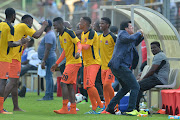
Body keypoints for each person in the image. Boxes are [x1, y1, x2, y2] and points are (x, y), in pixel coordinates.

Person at [3, 14, 48, 111]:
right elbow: (36, 35)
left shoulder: (18, 27)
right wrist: (44, 26)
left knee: (14, 84)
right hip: (14, 59)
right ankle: (0, 105)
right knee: (12, 82)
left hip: (13, 58)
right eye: (31, 23)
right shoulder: (24, 26)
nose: (31, 25)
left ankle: (16, 107)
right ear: (27, 21)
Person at [103, 21, 144, 115]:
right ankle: (131, 110)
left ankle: (109, 108)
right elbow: (131, 39)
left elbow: (134, 42)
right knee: (135, 86)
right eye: (131, 27)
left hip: (118, 66)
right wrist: (138, 32)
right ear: (126, 28)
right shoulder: (122, 35)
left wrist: (142, 36)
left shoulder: (127, 38)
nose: (132, 28)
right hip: (120, 66)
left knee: (126, 88)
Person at [0, 8, 29, 114]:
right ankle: (0, 108)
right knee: (3, 82)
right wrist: (21, 41)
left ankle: (14, 106)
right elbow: (11, 44)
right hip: (4, 58)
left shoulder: (1, 25)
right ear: (13, 16)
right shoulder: (9, 27)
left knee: (10, 83)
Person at [51, 17, 82, 114]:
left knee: (63, 83)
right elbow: (64, 51)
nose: (54, 27)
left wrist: (78, 52)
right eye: (53, 26)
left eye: (55, 25)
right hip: (69, 62)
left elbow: (78, 43)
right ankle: (73, 109)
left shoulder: (69, 32)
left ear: (61, 24)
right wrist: (56, 63)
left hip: (74, 62)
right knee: (69, 85)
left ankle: (65, 108)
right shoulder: (60, 36)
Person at [79, 16, 105, 114]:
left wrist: (77, 45)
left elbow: (86, 47)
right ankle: (94, 108)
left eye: (80, 21)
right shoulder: (82, 33)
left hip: (94, 63)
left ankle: (101, 105)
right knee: (87, 86)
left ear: (85, 23)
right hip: (86, 63)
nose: (79, 23)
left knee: (90, 84)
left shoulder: (92, 33)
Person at [136, 41, 170, 111]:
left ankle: (135, 108)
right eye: (151, 48)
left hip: (159, 79)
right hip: (158, 78)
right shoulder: (160, 55)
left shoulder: (159, 56)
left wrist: (143, 78)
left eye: (154, 48)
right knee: (138, 85)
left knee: (138, 86)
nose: (153, 50)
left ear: (159, 48)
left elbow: (152, 70)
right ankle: (135, 107)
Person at [99, 17, 116, 108]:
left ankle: (115, 104)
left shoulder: (112, 37)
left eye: (102, 23)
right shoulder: (100, 37)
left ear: (107, 25)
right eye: (100, 23)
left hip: (111, 67)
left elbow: (118, 49)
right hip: (103, 67)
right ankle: (107, 106)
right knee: (104, 87)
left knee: (107, 84)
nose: (100, 25)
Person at [37, 20, 56, 101]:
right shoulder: (49, 34)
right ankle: (49, 95)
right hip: (50, 58)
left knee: (48, 76)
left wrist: (43, 61)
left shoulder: (49, 35)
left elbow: (47, 49)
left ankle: (48, 95)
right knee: (49, 76)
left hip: (48, 58)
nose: (42, 27)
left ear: (47, 26)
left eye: (43, 25)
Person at [92, 19, 104, 101]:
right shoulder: (104, 36)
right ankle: (103, 97)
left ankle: (101, 98)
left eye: (93, 26)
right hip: (104, 62)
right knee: (102, 81)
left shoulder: (95, 36)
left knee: (97, 81)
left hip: (97, 62)